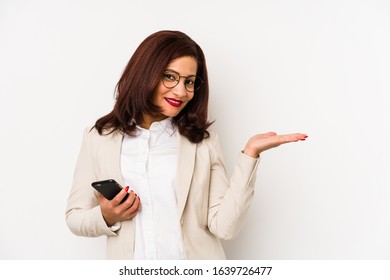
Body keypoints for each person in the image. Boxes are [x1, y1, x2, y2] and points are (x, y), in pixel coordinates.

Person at [65, 30, 308, 260]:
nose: (182, 91)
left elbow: (225, 227)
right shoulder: (98, 138)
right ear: (144, 73)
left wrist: (249, 156)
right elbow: (74, 217)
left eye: (190, 81)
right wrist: (106, 216)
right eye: (170, 77)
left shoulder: (202, 141)